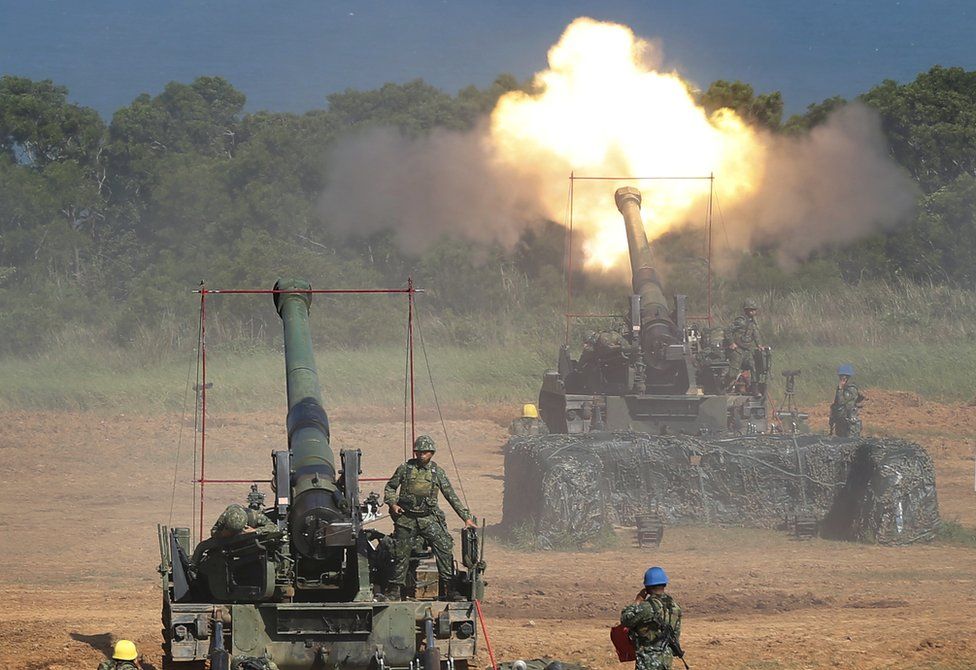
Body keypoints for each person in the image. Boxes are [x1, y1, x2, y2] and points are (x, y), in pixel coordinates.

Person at [383, 435, 477, 600]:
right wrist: (393, 504)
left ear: (432, 453)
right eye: (418, 452)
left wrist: (466, 517)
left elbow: (451, 495)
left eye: (425, 452)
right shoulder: (405, 468)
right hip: (407, 519)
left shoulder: (437, 472)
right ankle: (394, 590)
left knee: (445, 548)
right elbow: (390, 488)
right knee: (400, 553)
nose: (421, 455)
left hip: (429, 518)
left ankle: (450, 588)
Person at [619, 567, 683, 670]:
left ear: (647, 587)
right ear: (664, 584)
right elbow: (675, 635)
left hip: (647, 660)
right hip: (666, 659)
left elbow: (626, 620)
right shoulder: (675, 607)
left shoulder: (646, 608)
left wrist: (637, 601)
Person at [726, 298, 765, 391]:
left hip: (746, 350)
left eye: (754, 310)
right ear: (746, 310)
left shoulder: (752, 322)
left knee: (754, 366)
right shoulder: (741, 321)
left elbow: (755, 334)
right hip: (737, 349)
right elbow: (728, 330)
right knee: (733, 372)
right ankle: (726, 386)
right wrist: (731, 343)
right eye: (751, 310)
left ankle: (755, 388)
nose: (753, 312)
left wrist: (759, 345)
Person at [211, 485, 277, 538]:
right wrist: (222, 534)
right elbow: (214, 531)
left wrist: (255, 531)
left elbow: (274, 528)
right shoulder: (227, 515)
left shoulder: (254, 516)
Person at [829, 364, 865, 437]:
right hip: (841, 421)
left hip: (849, 424)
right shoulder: (844, 388)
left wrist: (840, 389)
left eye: (842, 376)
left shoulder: (851, 389)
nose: (840, 378)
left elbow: (841, 401)